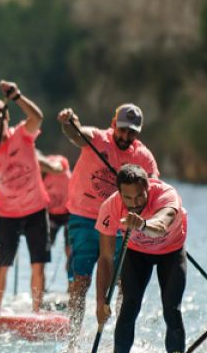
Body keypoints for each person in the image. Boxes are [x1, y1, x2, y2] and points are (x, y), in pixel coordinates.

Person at [56, 104, 159, 336]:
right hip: (84, 218)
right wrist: (68, 121)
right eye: (122, 130)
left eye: (131, 132)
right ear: (114, 124)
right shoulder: (97, 139)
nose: (125, 136)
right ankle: (72, 341)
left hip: (119, 224)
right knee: (81, 281)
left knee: (123, 283)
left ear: (138, 133)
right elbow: (76, 133)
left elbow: (154, 188)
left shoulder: (142, 156)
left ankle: (119, 340)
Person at [94, 164, 188, 353]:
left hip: (171, 252)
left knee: (172, 310)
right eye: (127, 198)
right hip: (137, 253)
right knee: (129, 307)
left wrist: (143, 225)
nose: (134, 204)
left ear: (148, 187)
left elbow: (161, 225)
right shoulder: (110, 207)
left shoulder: (166, 194)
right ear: (120, 193)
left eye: (139, 197)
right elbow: (106, 258)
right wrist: (101, 300)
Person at [0, 80, 50, 314]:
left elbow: (37, 117)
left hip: (36, 209)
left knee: (38, 265)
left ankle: (36, 314)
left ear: (6, 119)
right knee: (2, 266)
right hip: (8, 215)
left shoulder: (22, 135)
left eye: (0, 118)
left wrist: (17, 97)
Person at [39, 153, 72, 281]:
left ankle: (71, 291)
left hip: (70, 212)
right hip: (51, 215)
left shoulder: (53, 161)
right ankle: (39, 290)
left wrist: (49, 167)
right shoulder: (33, 177)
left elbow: (61, 165)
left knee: (71, 251)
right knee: (42, 251)